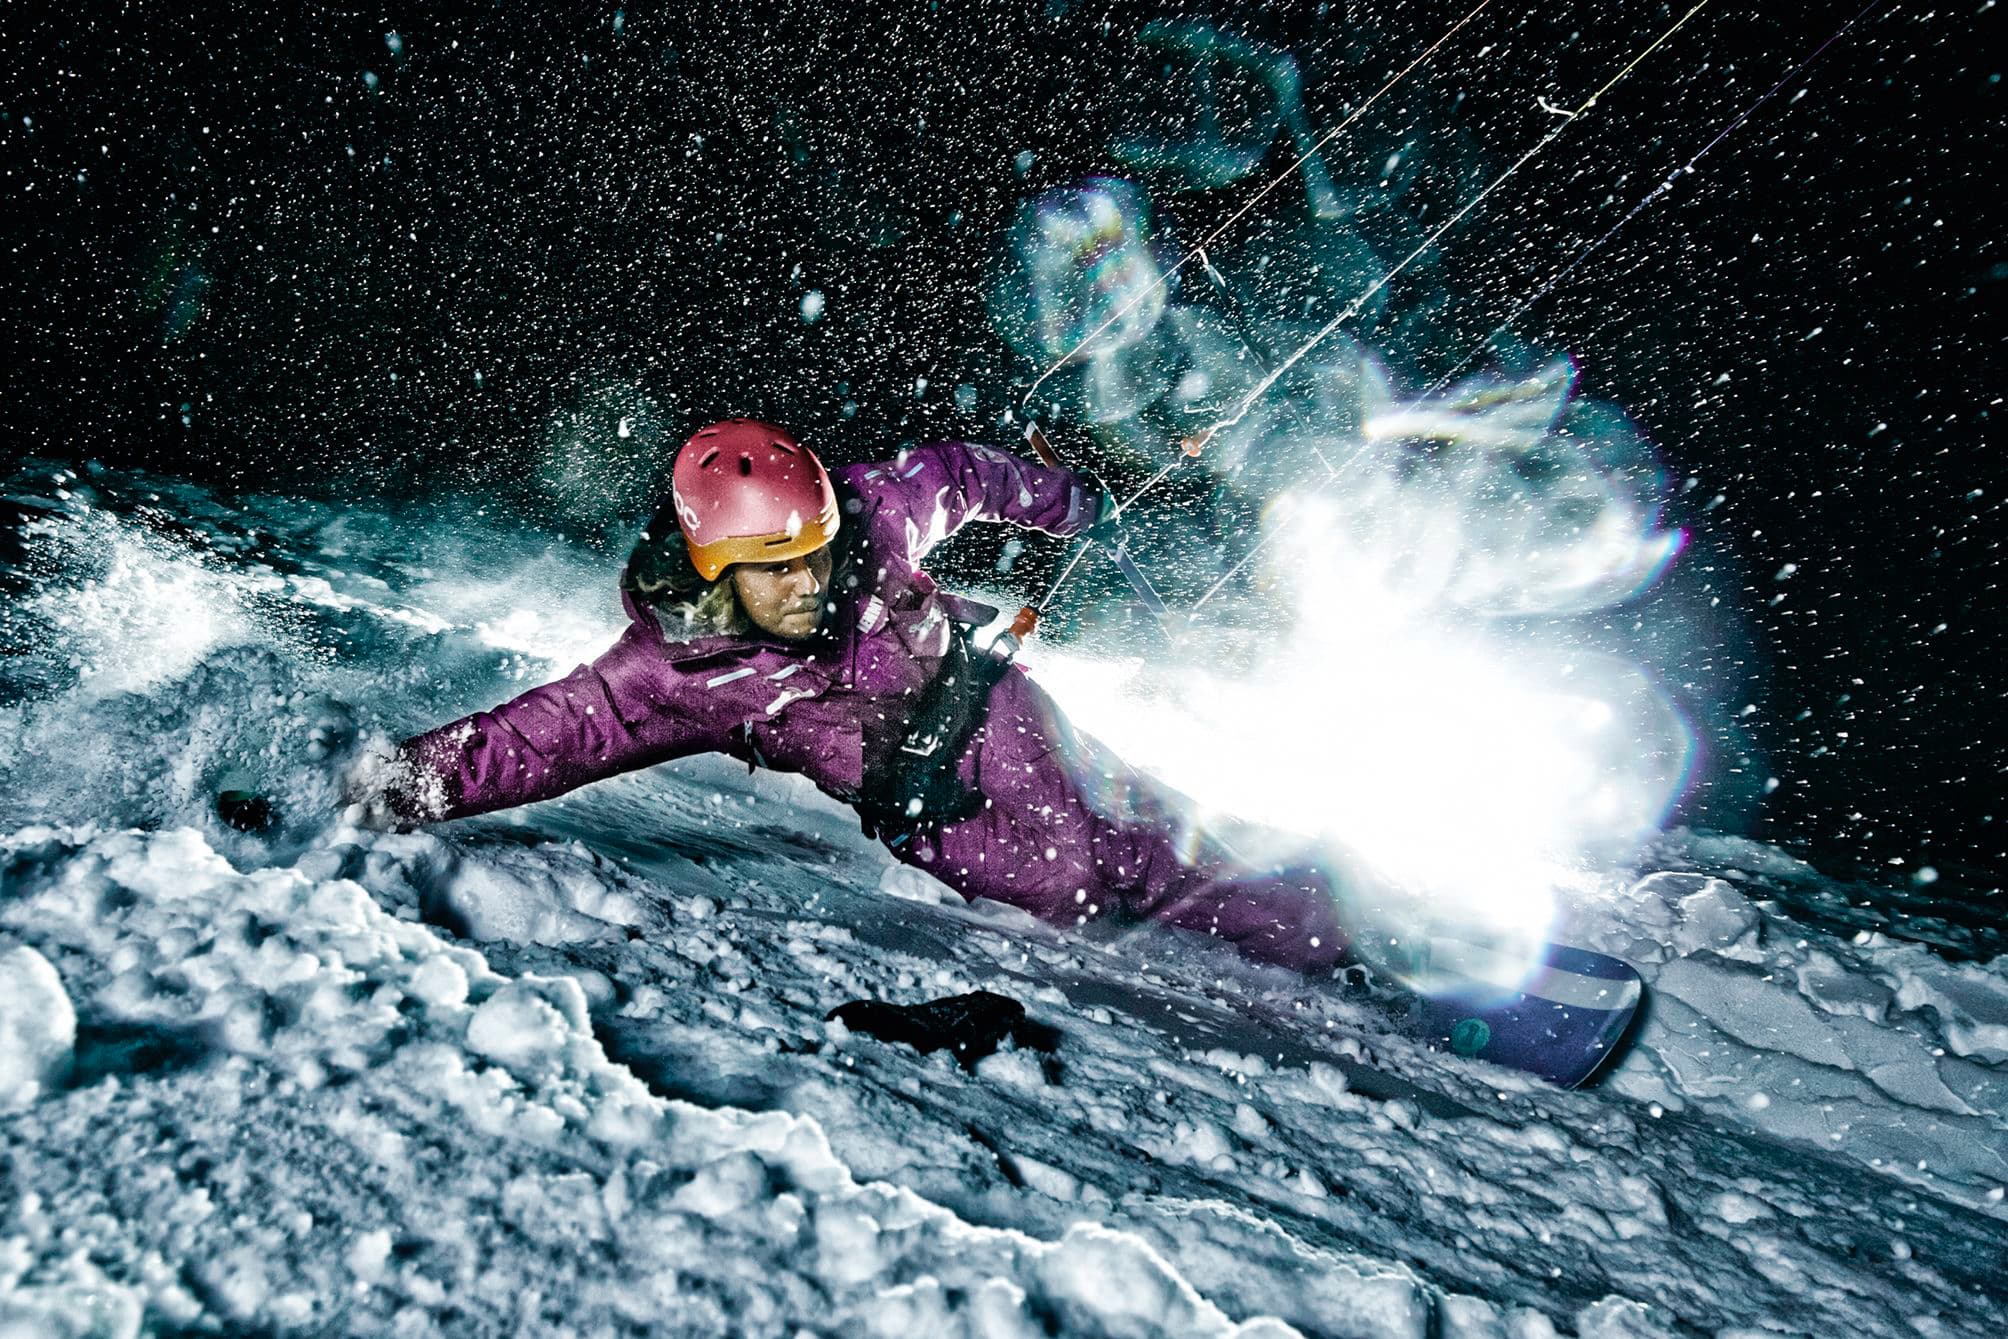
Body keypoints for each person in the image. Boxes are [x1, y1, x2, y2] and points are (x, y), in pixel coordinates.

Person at [362, 419, 1346, 973]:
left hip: (984, 700)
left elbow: (960, 475)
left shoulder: (874, 511)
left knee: (1131, 836)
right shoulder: (679, 672)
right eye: (777, 568)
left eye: (818, 554)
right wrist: (398, 783)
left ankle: (1331, 926)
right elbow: (547, 737)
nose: (810, 582)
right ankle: (1258, 931)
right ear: (716, 567)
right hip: (917, 800)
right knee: (1065, 883)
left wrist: (1065, 499)